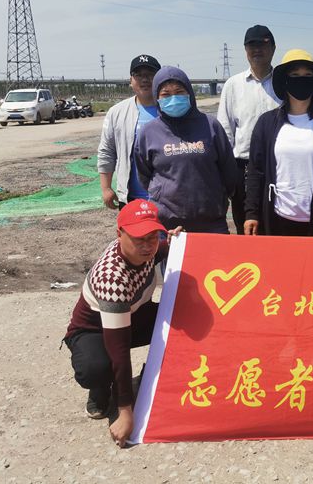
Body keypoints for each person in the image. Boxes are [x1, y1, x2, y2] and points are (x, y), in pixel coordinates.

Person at [64, 200, 180, 447]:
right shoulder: (113, 278)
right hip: (94, 330)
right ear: (119, 235)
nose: (147, 246)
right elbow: (119, 350)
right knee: (97, 367)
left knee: (184, 318)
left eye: (152, 237)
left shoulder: (146, 251)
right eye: (139, 239)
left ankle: (152, 375)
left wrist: (175, 242)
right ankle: (101, 390)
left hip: (133, 316)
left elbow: (161, 249)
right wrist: (126, 411)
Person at [244, 49, 313, 236]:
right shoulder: (266, 123)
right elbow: (255, 171)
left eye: (308, 75)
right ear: (285, 80)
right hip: (277, 217)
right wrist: (251, 213)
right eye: (294, 75)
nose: (301, 80)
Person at [134, 66, 238, 233]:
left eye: (179, 92)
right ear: (157, 97)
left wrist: (217, 198)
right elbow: (144, 175)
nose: (173, 98)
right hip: (168, 225)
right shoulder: (149, 132)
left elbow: (228, 171)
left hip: (212, 223)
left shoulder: (210, 125)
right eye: (166, 94)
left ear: (189, 93)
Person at [217, 25, 282, 234]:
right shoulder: (233, 85)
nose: (257, 50)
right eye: (251, 46)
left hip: (280, 165)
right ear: (245, 50)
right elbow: (225, 132)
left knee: (277, 223)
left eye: (262, 45)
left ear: (273, 48)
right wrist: (226, 174)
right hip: (242, 166)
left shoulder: (283, 82)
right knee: (245, 225)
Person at [98, 54, 161, 209]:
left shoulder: (171, 109)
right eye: (138, 75)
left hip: (168, 200)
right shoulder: (117, 112)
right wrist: (106, 188)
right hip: (131, 200)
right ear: (131, 80)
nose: (145, 79)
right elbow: (107, 151)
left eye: (150, 74)